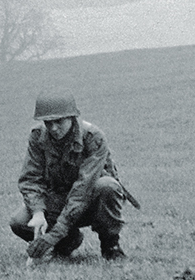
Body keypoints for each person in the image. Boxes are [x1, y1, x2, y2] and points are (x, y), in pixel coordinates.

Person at [11, 93, 131, 262]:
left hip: (91, 200)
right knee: (19, 222)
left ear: (72, 117)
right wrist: (38, 212)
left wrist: (55, 233)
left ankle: (111, 246)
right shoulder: (38, 136)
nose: (53, 128)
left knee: (107, 186)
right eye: (48, 122)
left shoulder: (93, 138)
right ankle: (68, 242)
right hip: (58, 198)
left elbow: (83, 189)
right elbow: (30, 178)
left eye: (58, 121)